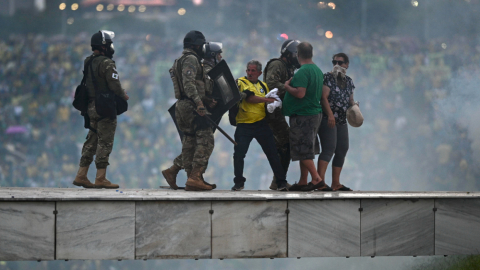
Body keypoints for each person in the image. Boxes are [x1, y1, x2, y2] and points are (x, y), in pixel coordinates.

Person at [72, 30, 129, 189]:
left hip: (91, 106)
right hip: (104, 107)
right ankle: (100, 177)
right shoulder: (107, 63)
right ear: (104, 46)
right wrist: (123, 94)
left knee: (91, 140)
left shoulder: (88, 61)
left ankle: (81, 174)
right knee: (105, 141)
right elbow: (114, 85)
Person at [162, 40, 221, 190]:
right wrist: (201, 103)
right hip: (192, 106)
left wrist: (205, 100)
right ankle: (195, 177)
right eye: (219, 54)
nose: (221, 57)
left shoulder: (183, 61)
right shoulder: (198, 63)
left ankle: (177, 173)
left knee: (190, 141)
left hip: (182, 105)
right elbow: (191, 86)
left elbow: (196, 88)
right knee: (206, 140)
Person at [231, 60, 289, 191]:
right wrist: (268, 100)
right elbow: (250, 99)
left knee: (272, 153)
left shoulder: (263, 85)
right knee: (239, 154)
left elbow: (270, 97)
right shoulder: (241, 82)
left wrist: (274, 102)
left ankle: (281, 182)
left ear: (259, 73)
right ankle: (239, 182)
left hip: (261, 123)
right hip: (244, 124)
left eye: (253, 71)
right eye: (248, 70)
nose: (250, 73)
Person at [282, 41, 332, 192]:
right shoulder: (316, 69)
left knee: (302, 149)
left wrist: (286, 87)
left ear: (298, 55)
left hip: (303, 115)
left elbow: (300, 93)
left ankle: (316, 179)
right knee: (305, 148)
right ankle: (303, 181)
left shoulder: (303, 71)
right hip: (314, 113)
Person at [263, 39, 300, 190]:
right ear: (289, 54)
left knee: (285, 145)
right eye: (297, 54)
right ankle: (279, 181)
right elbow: (271, 84)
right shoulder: (277, 65)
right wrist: (289, 88)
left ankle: (278, 180)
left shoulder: (288, 67)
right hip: (271, 111)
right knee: (285, 143)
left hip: (278, 111)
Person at [317, 53, 355, 191]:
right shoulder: (328, 77)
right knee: (329, 149)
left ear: (347, 64)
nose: (337, 65)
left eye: (340, 62)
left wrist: (355, 107)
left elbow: (350, 100)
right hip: (328, 118)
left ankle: (336, 183)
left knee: (342, 149)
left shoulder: (349, 81)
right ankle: (319, 182)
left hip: (341, 119)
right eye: (334, 62)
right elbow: (324, 97)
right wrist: (330, 114)